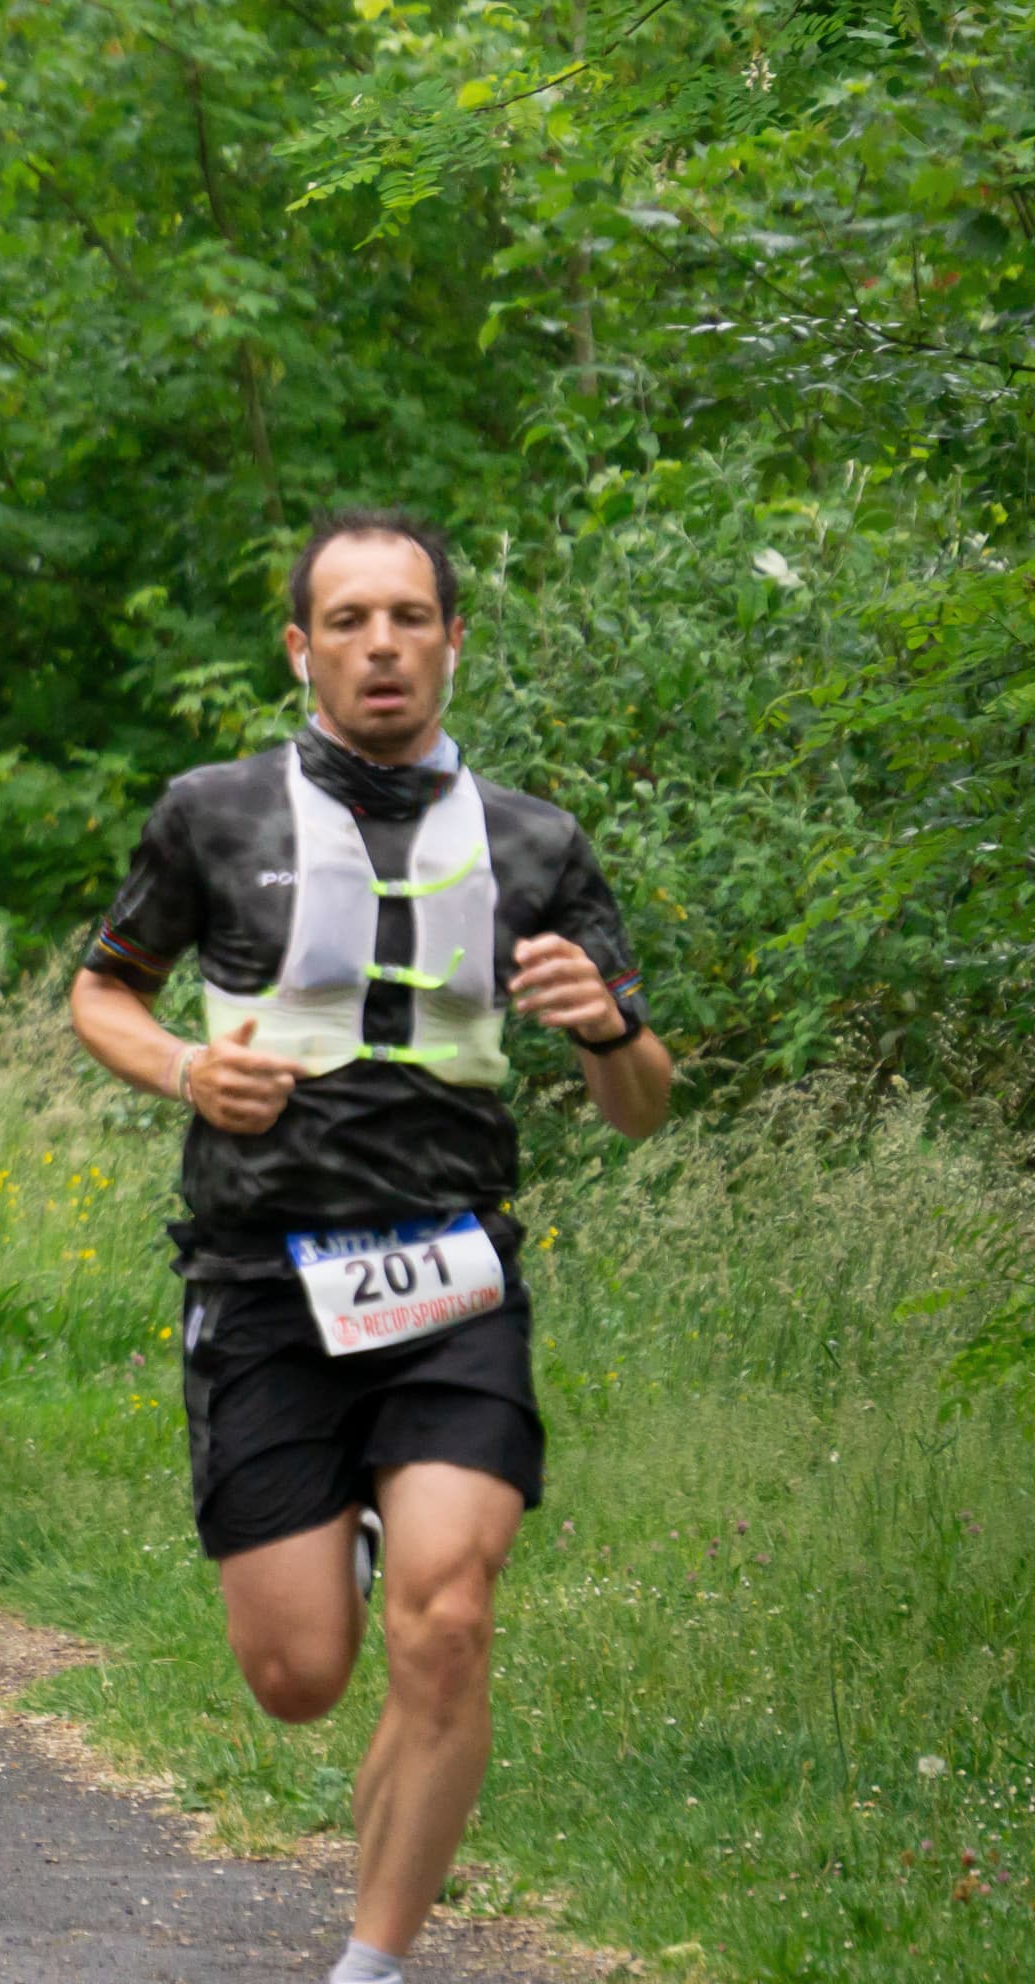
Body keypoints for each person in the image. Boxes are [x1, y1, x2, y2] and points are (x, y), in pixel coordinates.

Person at [67, 508, 673, 1984]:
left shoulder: (537, 843)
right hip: (264, 1281)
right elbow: (104, 994)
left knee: (451, 1618)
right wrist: (189, 1074)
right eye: (348, 621)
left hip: (454, 1276)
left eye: (410, 617)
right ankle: (342, 1524)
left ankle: (374, 1961)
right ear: (302, 648)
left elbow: (644, 1108)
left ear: (455, 639)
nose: (382, 645)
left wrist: (607, 1023)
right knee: (298, 1678)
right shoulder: (214, 813)